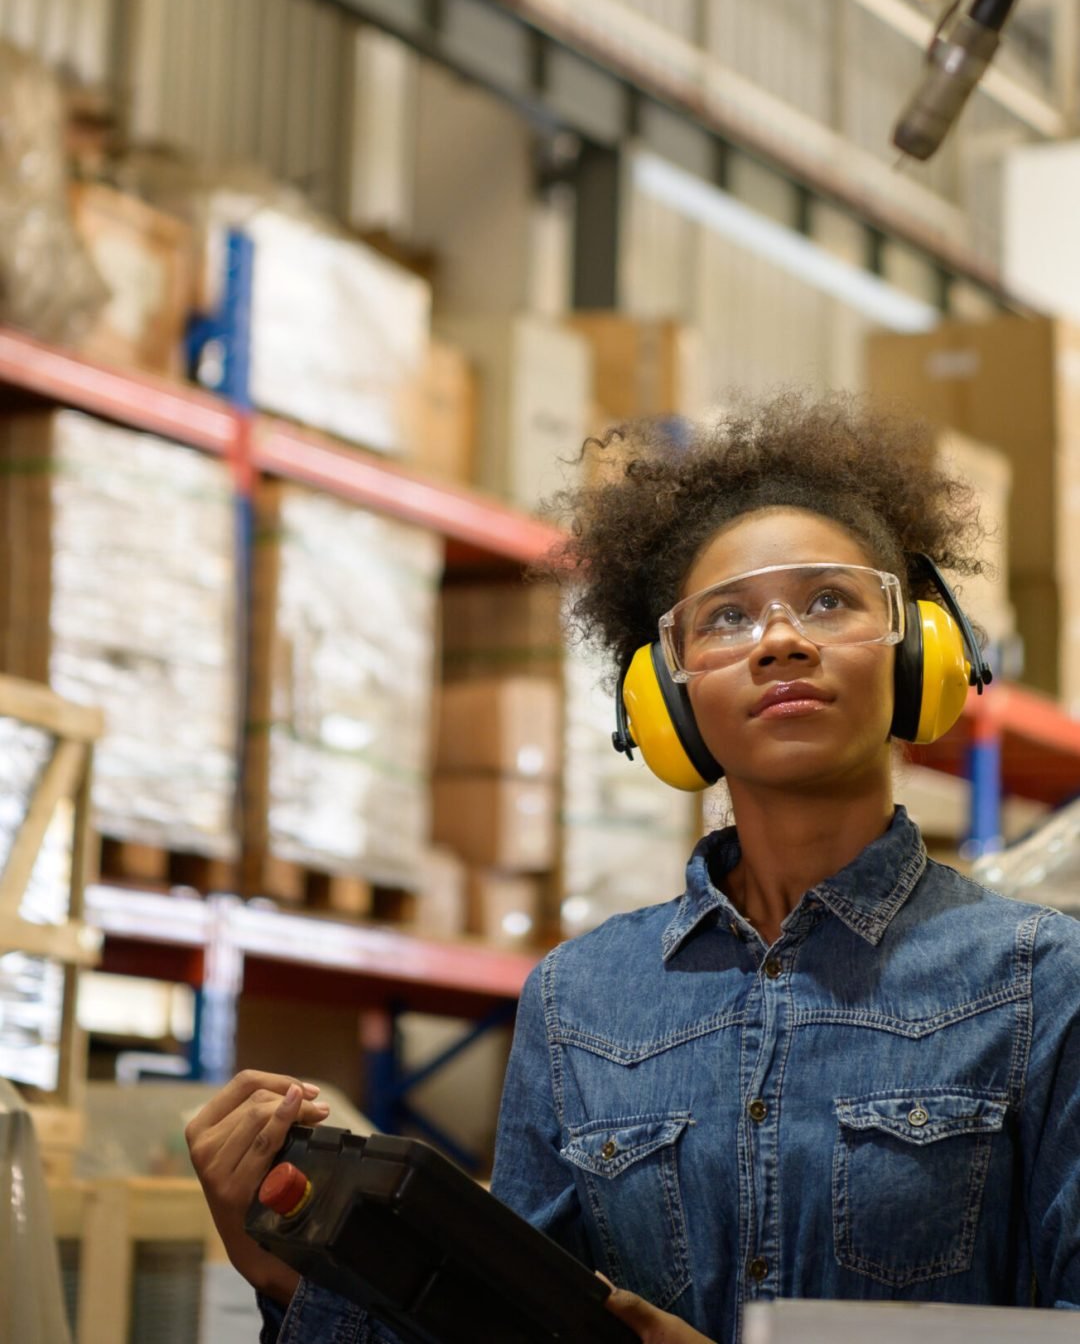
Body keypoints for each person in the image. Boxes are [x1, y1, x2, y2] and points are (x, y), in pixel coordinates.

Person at [187, 393, 1080, 1342]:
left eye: (830, 599)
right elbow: (500, 1324)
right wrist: (292, 1275)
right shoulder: (580, 1001)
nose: (781, 640)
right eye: (727, 618)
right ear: (666, 696)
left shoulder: (1036, 980)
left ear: (920, 649)